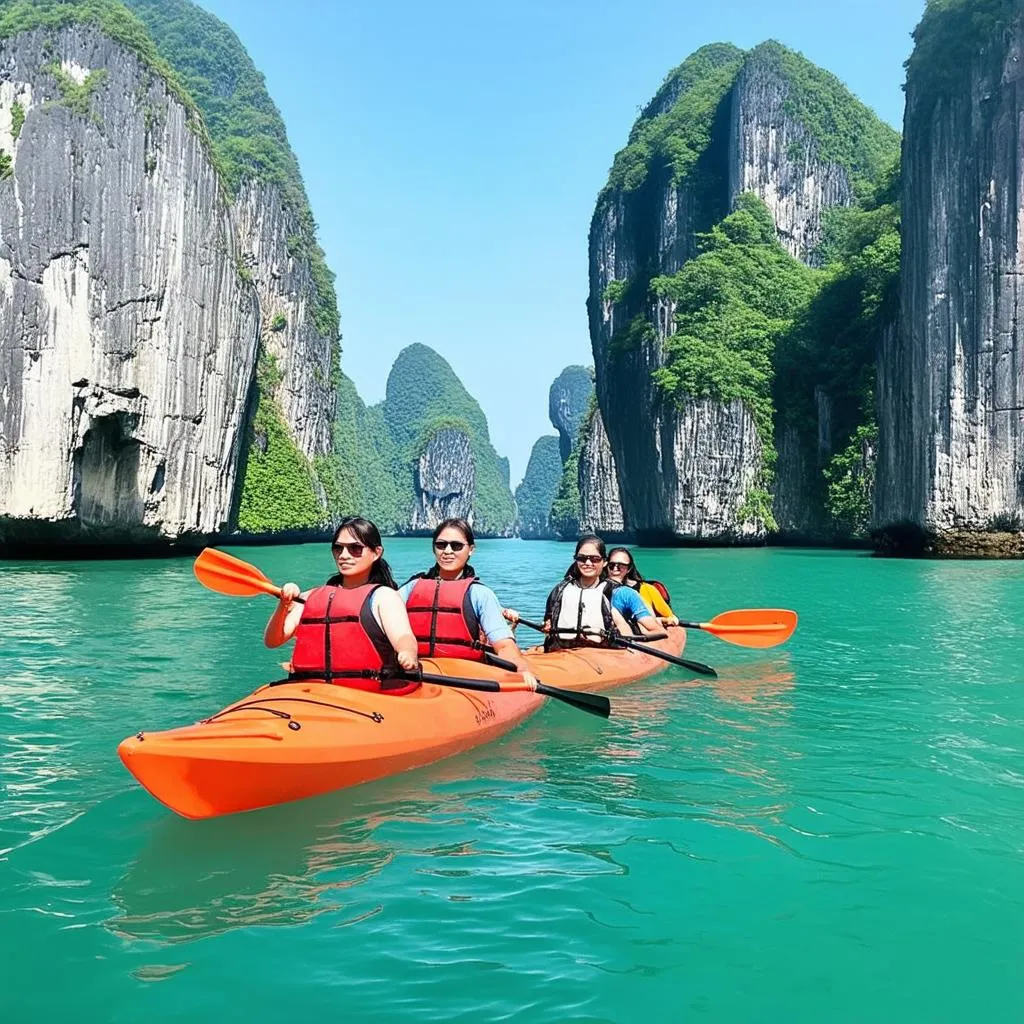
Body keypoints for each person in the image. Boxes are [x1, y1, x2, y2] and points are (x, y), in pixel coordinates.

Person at [264, 516, 421, 694]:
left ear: (376, 553)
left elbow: (403, 637)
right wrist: (283, 606)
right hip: (312, 692)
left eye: (355, 548)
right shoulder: (312, 597)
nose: (344, 555)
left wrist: (407, 653)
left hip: (368, 695)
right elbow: (273, 641)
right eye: (338, 548)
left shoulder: (383, 597)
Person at [399, 518, 539, 687]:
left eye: (456, 546)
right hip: (416, 671)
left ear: (471, 549)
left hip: (464, 677)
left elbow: (503, 645)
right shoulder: (411, 588)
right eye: (441, 545)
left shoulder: (480, 594)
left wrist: (521, 669)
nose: (447, 551)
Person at [505, 534, 661, 651]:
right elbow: (548, 629)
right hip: (563, 652)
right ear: (576, 560)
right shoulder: (559, 591)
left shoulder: (621, 593)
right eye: (582, 558)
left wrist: (629, 636)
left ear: (603, 562)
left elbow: (656, 631)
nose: (587, 563)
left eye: (594, 559)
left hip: (605, 654)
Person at [606, 546, 680, 627]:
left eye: (621, 565)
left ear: (629, 568)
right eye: (611, 565)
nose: (615, 568)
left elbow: (672, 618)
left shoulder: (647, 589)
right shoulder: (598, 589)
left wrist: (661, 620)